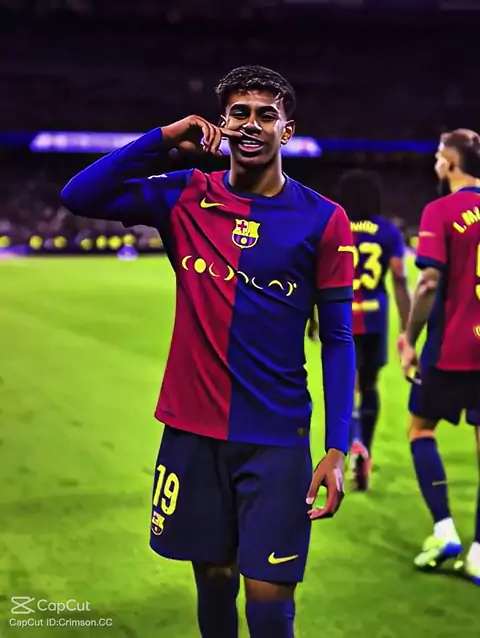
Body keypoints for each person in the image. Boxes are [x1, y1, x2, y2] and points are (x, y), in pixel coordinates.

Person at [61, 65, 356, 637]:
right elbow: (78, 195)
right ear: (222, 123)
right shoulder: (186, 195)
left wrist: (337, 447)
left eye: (266, 115)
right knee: (215, 582)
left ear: (287, 130)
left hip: (276, 439)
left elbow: (338, 338)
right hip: (192, 433)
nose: (251, 125)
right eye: (239, 113)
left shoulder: (323, 219)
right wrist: (164, 138)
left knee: (270, 602)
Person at [399, 128, 480, 586]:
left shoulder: (441, 210)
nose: (435, 164)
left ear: (450, 163)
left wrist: (409, 337)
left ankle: (445, 530)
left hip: (451, 348)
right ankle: (479, 554)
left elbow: (429, 281)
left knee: (420, 429)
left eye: (437, 157)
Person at [309, 169, 410, 490]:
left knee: (347, 387)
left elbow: (316, 275)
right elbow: (399, 278)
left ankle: (353, 443)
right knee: (370, 386)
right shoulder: (388, 232)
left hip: (342, 318)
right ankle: (366, 445)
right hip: (375, 318)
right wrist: (407, 328)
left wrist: (313, 318)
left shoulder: (334, 226)